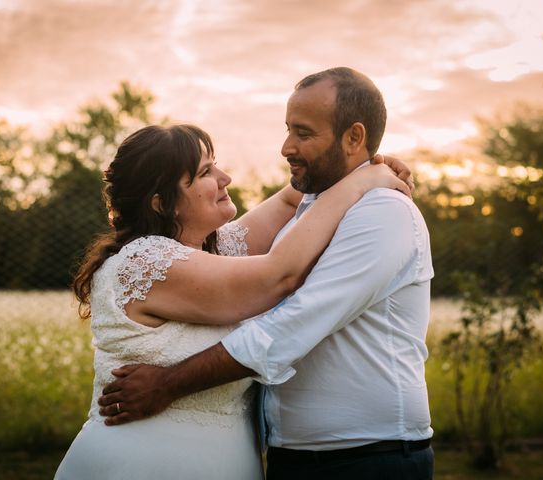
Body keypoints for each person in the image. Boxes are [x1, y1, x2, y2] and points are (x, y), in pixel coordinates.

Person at [98, 67, 435, 480]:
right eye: (206, 173)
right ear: (161, 203)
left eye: (303, 133)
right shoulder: (153, 260)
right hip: (178, 459)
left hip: (364, 457)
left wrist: (370, 171)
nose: (285, 147)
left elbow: (293, 321)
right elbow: (279, 271)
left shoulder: (381, 212)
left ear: (354, 137)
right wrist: (363, 174)